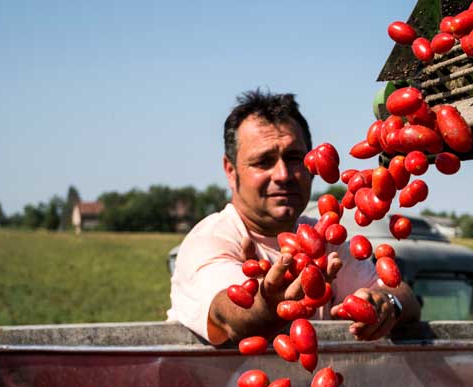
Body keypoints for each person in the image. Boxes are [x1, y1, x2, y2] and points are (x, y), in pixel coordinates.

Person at [168, 89, 419, 345]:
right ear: (231, 171)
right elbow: (230, 316)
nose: (283, 174)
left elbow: (402, 294)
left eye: (294, 158)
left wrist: (386, 303)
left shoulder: (322, 238)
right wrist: (266, 303)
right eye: (263, 161)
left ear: (313, 165)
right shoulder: (211, 241)